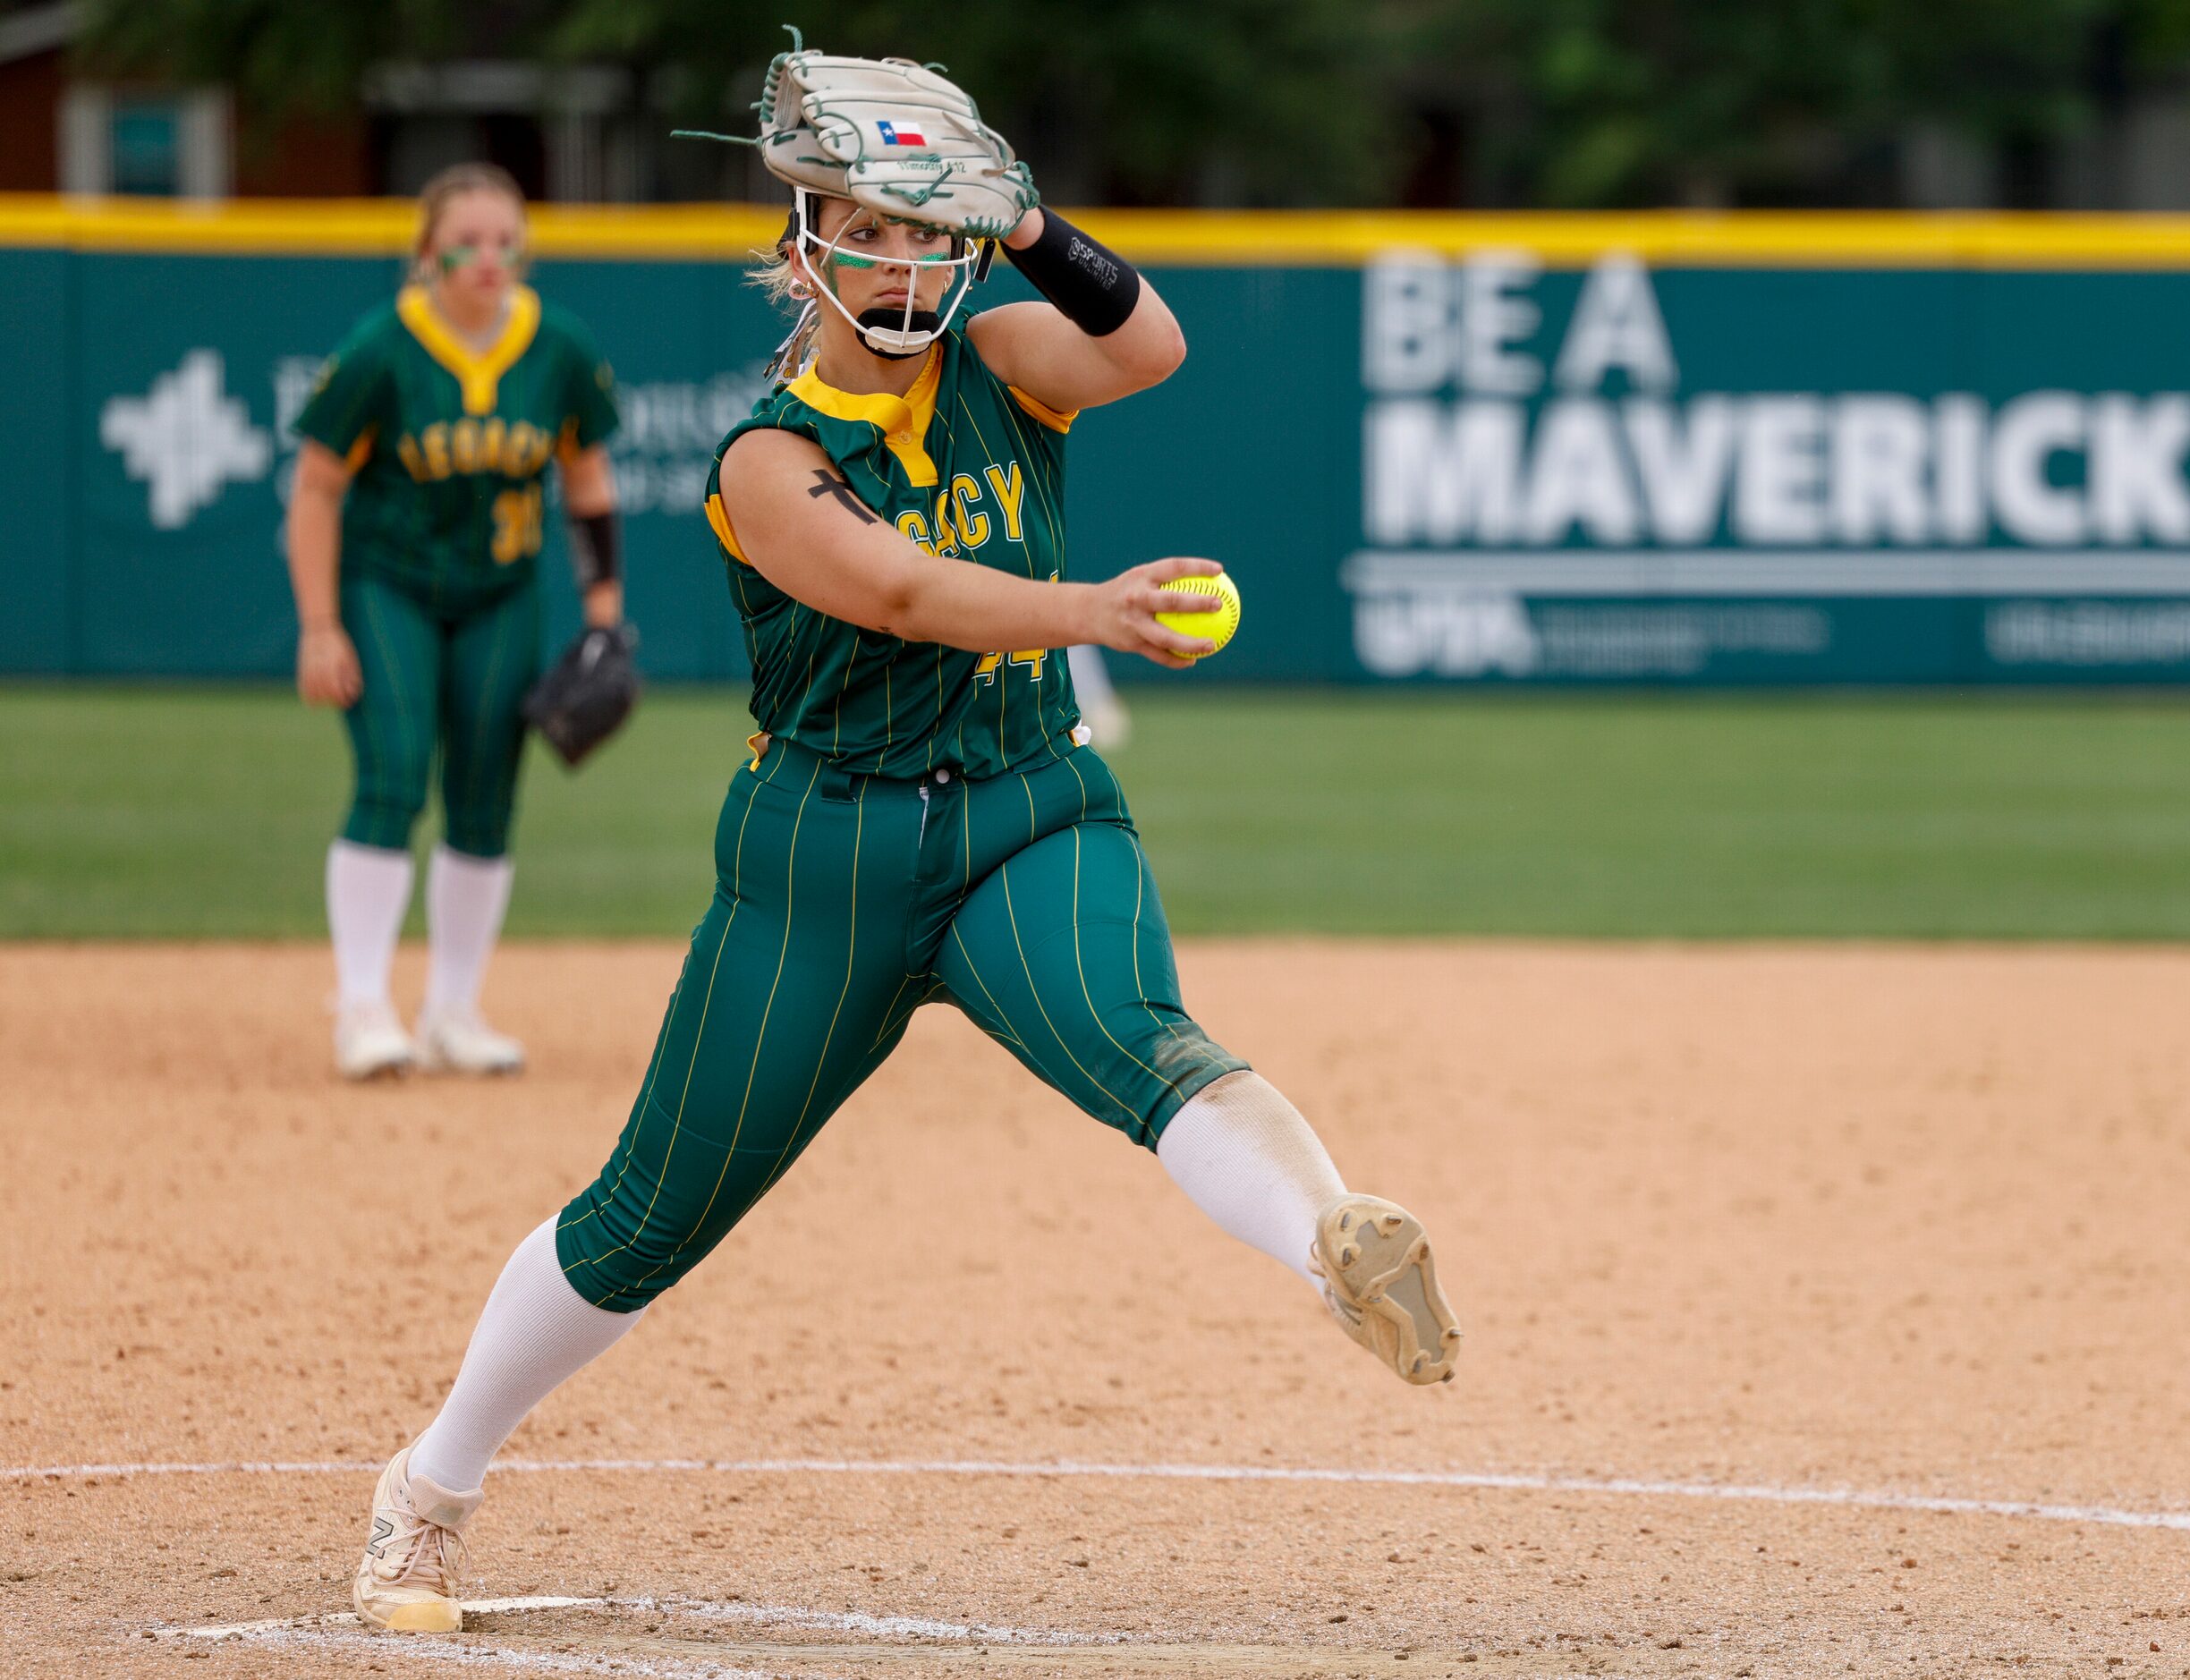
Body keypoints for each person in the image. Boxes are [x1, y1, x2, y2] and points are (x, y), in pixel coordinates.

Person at [347, 49, 1461, 1634]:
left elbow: (1147, 343)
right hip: (826, 858)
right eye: (874, 226)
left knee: (1149, 1042)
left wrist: (1026, 225)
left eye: (928, 229)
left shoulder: (1003, 355)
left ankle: (1332, 1236)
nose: (907, 257)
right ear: (802, 239)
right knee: (647, 1215)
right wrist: (1091, 611)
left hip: (1028, 804)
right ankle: (429, 1488)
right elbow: (900, 592)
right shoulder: (763, 459)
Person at [287, 163, 626, 1081]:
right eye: (463, 242)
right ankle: (362, 1005)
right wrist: (321, 626)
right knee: (393, 775)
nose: (486, 257)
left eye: (502, 239)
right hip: (387, 586)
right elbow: (316, 491)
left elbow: (587, 480)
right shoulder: (380, 349)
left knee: (484, 793)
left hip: (501, 592)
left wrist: (604, 616)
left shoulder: (553, 344)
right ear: (425, 254)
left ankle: (452, 1010)